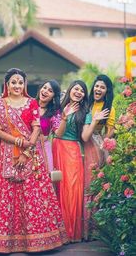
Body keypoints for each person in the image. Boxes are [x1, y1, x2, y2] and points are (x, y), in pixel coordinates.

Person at [0, 68, 68, 253]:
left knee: (33, 197)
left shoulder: (32, 103)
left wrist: (27, 150)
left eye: (20, 82)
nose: (17, 85)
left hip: (31, 156)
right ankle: (4, 241)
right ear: (7, 84)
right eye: (13, 82)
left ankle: (36, 241)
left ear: (24, 84)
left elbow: (36, 128)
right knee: (6, 197)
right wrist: (17, 141)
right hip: (6, 154)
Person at [52, 80, 109, 242]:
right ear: (70, 90)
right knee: (57, 188)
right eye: (76, 89)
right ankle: (56, 231)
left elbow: (84, 137)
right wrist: (65, 115)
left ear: (84, 95)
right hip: (57, 148)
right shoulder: (59, 107)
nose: (78, 92)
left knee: (72, 190)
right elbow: (57, 133)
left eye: (82, 91)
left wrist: (95, 120)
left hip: (73, 150)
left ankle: (70, 233)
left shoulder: (86, 112)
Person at [83, 74, 115, 240]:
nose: (98, 89)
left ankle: (92, 229)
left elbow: (110, 131)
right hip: (79, 144)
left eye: (102, 87)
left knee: (92, 183)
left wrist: (103, 146)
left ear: (107, 91)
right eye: (97, 86)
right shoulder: (87, 103)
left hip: (95, 145)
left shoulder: (108, 107)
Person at [36, 80, 62, 172]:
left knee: (45, 177)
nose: (45, 91)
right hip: (27, 148)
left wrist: (65, 120)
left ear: (54, 96)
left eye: (50, 91)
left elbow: (58, 133)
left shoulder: (55, 112)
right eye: (44, 87)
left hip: (44, 149)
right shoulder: (29, 105)